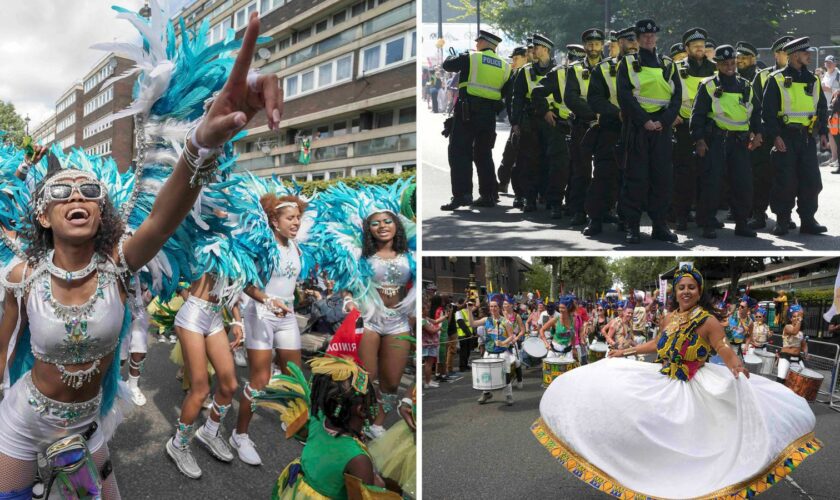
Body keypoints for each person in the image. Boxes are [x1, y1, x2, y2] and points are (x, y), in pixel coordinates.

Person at [533, 264, 820, 498]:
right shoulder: (669, 318)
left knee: (687, 437)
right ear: (675, 291)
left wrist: (736, 365)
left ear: (699, 291)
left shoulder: (709, 320)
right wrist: (625, 351)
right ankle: (642, 470)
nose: (685, 291)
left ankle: (686, 480)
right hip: (663, 375)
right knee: (612, 393)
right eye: (681, 287)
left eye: (691, 287)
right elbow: (657, 344)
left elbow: (722, 348)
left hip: (693, 382)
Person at [230, 192, 316, 467]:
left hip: (287, 313)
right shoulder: (263, 246)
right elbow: (245, 283)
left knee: (294, 375)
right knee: (259, 379)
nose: (296, 222)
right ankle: (240, 434)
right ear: (274, 221)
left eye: (298, 218)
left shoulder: (296, 247)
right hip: (260, 313)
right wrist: (268, 300)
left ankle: (291, 418)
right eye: (290, 218)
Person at [256, 356, 399, 499]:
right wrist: (378, 486)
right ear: (362, 410)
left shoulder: (317, 418)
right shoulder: (358, 459)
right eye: (373, 401)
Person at [616, 19, 681, 243]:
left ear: (657, 37)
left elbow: (677, 98)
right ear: (638, 37)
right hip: (638, 128)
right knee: (636, 178)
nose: (649, 38)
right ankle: (632, 227)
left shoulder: (668, 64)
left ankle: (659, 225)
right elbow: (625, 96)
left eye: (652, 35)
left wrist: (663, 121)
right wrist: (644, 121)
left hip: (661, 129)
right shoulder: (627, 62)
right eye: (644, 36)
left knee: (662, 179)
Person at [691, 44, 763, 238]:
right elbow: (696, 116)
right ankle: (708, 224)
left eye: (732, 63)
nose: (730, 67)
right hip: (716, 141)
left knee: (743, 184)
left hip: (740, 143)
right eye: (725, 64)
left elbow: (756, 113)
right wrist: (698, 140)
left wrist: (758, 134)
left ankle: (742, 224)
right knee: (712, 184)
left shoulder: (745, 85)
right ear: (717, 65)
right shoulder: (709, 85)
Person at [761, 37, 830, 236]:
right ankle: (782, 221)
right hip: (785, 137)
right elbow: (767, 112)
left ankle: (808, 220)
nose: (809, 55)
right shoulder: (777, 79)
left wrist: (823, 131)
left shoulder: (813, 79)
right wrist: (774, 136)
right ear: (794, 56)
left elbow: (821, 108)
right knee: (785, 181)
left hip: (806, 138)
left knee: (812, 181)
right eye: (805, 53)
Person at [441, 30, 512, 210]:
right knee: (484, 153)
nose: (476, 43)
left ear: (483, 42)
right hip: (488, 115)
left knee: (459, 152)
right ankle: (488, 195)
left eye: (477, 40)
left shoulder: (471, 57)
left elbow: (447, 65)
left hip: (467, 113)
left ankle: (463, 195)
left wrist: (456, 55)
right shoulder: (505, 66)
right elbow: (506, 91)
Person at [583, 26, 638, 236]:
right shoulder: (604, 69)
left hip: (639, 129)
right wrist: (617, 113)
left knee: (633, 177)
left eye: (636, 40)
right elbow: (594, 99)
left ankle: (627, 220)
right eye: (629, 40)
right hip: (612, 128)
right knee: (604, 174)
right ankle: (595, 218)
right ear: (619, 43)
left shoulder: (652, 67)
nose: (633, 44)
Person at [516, 34, 568, 215]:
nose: (532, 50)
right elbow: (518, 98)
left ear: (545, 49)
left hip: (554, 121)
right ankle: (529, 199)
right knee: (531, 161)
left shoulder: (560, 70)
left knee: (555, 162)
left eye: (536, 47)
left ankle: (553, 201)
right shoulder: (525, 71)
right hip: (531, 120)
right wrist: (516, 123)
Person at [672, 28, 717, 231]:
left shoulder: (715, 69)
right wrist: (672, 114)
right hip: (684, 127)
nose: (700, 49)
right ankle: (681, 215)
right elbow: (668, 94)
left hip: (710, 128)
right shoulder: (675, 68)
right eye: (695, 46)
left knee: (709, 175)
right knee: (684, 174)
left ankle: (706, 215)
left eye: (702, 45)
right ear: (687, 48)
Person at [749, 36, 793, 229]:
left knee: (787, 178)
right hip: (767, 134)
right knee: (762, 176)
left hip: (788, 134)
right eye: (785, 52)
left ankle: (786, 215)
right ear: (776, 54)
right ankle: (759, 214)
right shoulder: (763, 76)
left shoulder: (801, 76)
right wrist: (757, 132)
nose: (789, 56)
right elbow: (755, 106)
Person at [565, 28, 605, 227]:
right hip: (583, 125)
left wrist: (604, 114)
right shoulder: (575, 69)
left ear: (602, 45)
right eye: (589, 44)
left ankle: (602, 211)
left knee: (605, 171)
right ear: (585, 46)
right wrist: (594, 113)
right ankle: (578, 211)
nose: (593, 47)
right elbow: (571, 98)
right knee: (581, 172)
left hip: (606, 126)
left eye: (597, 44)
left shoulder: (612, 67)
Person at [468, 296, 519, 406]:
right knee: (487, 374)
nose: (493, 308)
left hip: (502, 353)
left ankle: (508, 395)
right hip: (489, 352)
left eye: (495, 306)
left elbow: (512, 336)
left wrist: (503, 343)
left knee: (505, 374)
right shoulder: (487, 320)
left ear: (499, 308)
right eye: (491, 306)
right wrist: (469, 310)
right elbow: (472, 324)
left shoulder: (505, 321)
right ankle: (486, 393)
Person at [497, 46, 529, 202]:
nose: (513, 62)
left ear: (526, 57)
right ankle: (503, 183)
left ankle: (524, 192)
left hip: (527, 121)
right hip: (515, 122)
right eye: (512, 59)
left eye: (516, 58)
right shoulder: (512, 76)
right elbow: (502, 95)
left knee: (521, 157)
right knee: (509, 154)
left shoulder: (530, 74)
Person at [777, 305, 808, 383]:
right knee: (781, 380)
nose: (796, 318)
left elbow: (804, 345)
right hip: (785, 357)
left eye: (798, 317)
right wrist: (800, 319)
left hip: (797, 358)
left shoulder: (801, 333)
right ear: (791, 318)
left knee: (801, 380)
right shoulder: (787, 327)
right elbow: (794, 332)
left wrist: (805, 353)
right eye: (794, 317)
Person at [821, 55, 840, 168]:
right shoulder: (825, 75)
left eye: (830, 62)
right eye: (826, 62)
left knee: (837, 134)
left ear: (835, 63)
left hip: (837, 109)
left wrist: (829, 89)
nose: (828, 64)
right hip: (828, 109)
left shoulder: (838, 75)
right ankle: (834, 157)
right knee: (831, 134)